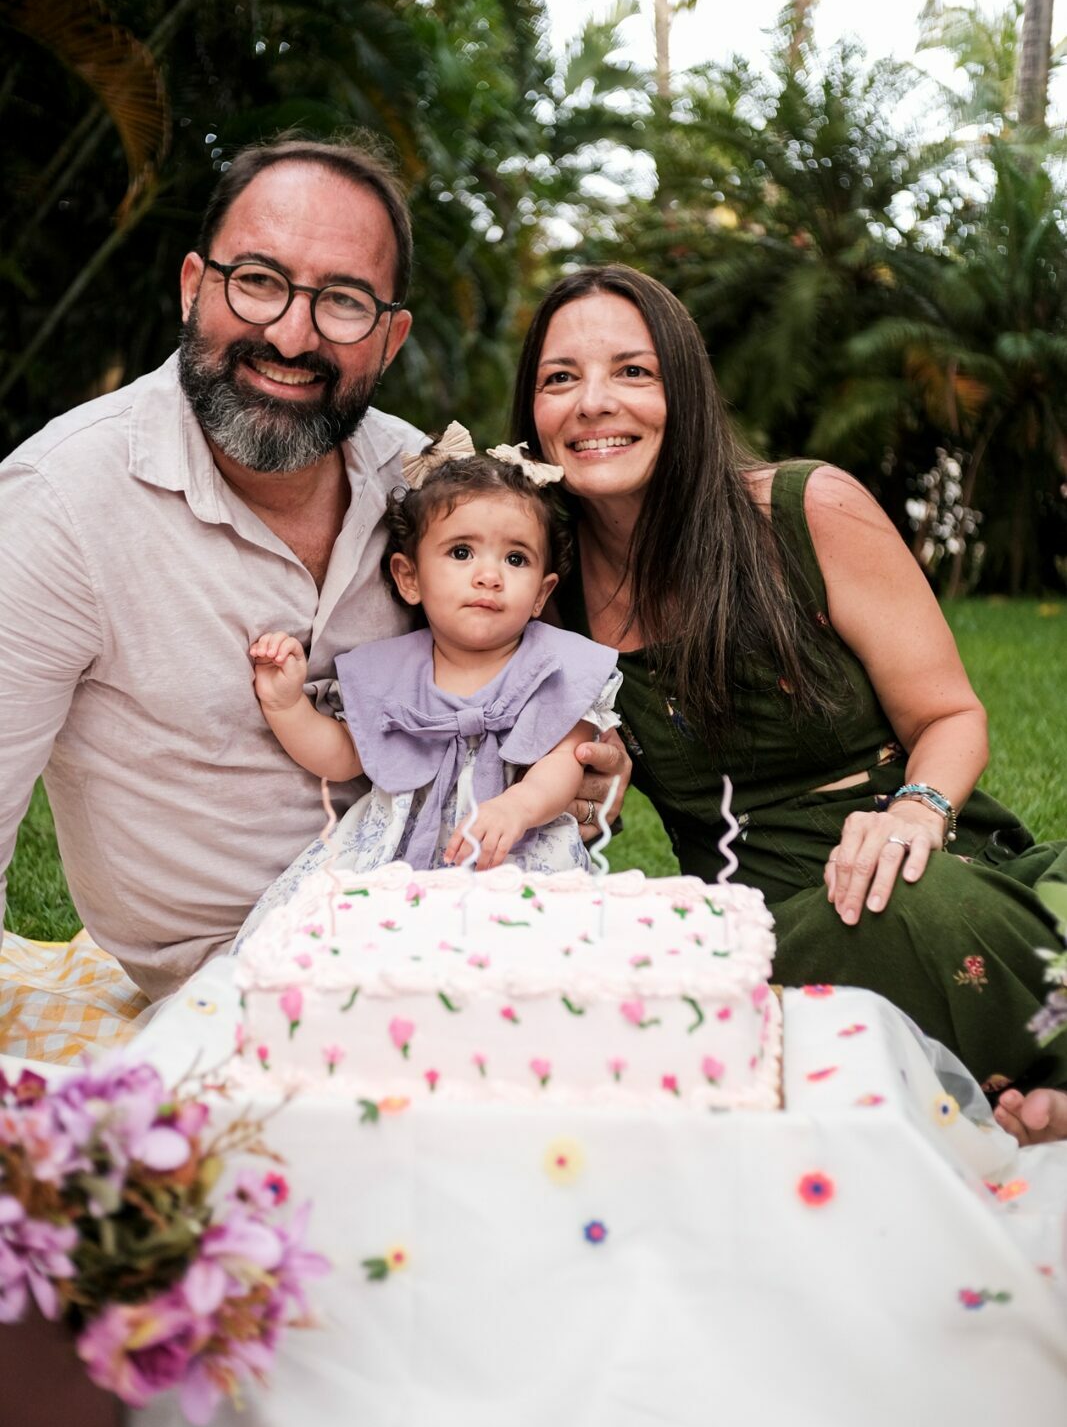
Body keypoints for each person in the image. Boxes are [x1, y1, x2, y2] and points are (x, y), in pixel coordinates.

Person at [0, 134, 626, 1006]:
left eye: (342, 302)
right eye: (258, 281)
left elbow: (517, 683)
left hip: (457, 930)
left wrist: (575, 774)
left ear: (391, 337)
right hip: (224, 988)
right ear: (193, 286)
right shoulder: (60, 504)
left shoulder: (424, 489)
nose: (291, 336)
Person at [510, 263, 1067, 1142]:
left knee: (916, 904)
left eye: (632, 371)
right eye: (559, 378)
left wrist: (914, 812)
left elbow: (950, 716)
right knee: (874, 925)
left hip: (920, 863)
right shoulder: (541, 588)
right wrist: (584, 795)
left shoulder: (803, 512)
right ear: (532, 411)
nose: (592, 403)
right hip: (756, 928)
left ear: (684, 391)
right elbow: (554, 787)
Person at [237, 430, 621, 940]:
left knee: (526, 946)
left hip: (515, 848)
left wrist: (518, 806)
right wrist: (286, 705)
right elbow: (345, 756)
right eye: (462, 552)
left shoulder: (555, 665)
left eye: (516, 559)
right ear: (409, 578)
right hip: (395, 853)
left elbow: (565, 760)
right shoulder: (389, 671)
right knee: (343, 939)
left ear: (541, 593)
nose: (489, 576)